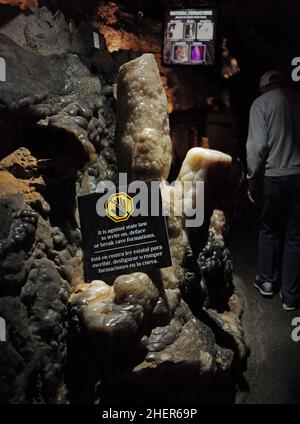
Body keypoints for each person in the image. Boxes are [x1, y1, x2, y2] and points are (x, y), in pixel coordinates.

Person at [246, 70, 300, 311]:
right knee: (295, 236)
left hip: (274, 176)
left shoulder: (261, 103)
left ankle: (267, 281)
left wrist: (251, 178)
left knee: (268, 229)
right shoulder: (297, 98)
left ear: (264, 86)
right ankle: (290, 296)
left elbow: (257, 146)